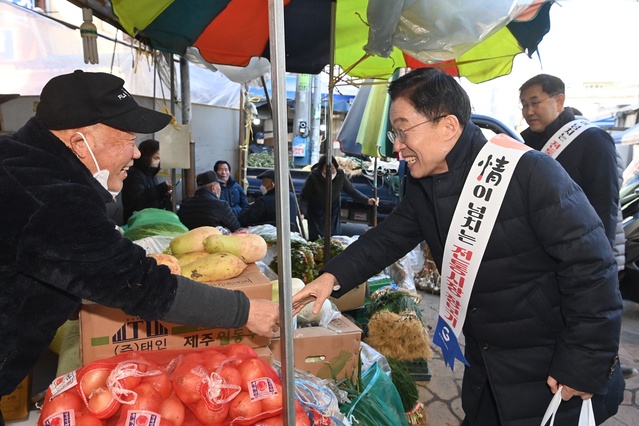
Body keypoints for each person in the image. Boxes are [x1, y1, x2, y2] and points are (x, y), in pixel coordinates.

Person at [292, 67, 624, 425]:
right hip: (488, 363)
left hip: (551, 368)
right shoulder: (426, 184)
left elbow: (592, 268)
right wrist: (331, 278)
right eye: (395, 131)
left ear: (448, 126)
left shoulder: (530, 173)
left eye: (403, 130)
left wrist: (583, 362)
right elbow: (386, 239)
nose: (397, 144)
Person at [0, 70, 280, 413]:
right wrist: (245, 310)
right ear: (78, 142)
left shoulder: (20, 161)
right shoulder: (50, 197)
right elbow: (140, 284)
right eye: (127, 139)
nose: (135, 153)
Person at [519, 74, 638, 380]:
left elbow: (605, 204)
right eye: (523, 105)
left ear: (559, 100)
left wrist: (599, 256)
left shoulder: (592, 139)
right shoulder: (526, 142)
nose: (528, 111)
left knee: (590, 311)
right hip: (541, 252)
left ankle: (600, 368)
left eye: (535, 102)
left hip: (586, 248)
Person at [299, 155, 378, 241]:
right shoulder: (313, 177)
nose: (330, 172)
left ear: (336, 167)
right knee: (317, 238)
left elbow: (352, 191)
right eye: (326, 169)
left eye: (332, 168)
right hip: (316, 210)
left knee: (334, 237)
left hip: (333, 208)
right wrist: (302, 212)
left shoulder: (340, 175)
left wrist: (367, 200)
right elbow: (304, 197)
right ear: (321, 169)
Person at [121, 138, 173, 223]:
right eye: (156, 158)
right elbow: (136, 200)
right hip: (137, 222)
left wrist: (164, 194)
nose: (158, 162)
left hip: (150, 220)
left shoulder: (151, 175)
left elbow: (151, 198)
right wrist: (161, 188)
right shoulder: (133, 174)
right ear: (146, 156)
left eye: (160, 159)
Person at [177, 171, 241, 232]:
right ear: (213, 188)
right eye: (219, 186)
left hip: (189, 241)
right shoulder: (221, 205)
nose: (220, 189)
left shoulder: (184, 205)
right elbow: (236, 228)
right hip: (214, 242)